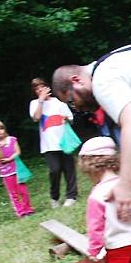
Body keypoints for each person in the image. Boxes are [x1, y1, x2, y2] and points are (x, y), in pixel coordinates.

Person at [51, 44, 131, 222]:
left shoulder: (102, 80)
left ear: (76, 80)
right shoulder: (111, 63)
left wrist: (126, 185)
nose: (77, 107)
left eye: (72, 101)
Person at [29, 77, 78, 208]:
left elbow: (70, 118)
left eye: (41, 87)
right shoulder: (35, 103)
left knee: (69, 169)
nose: (39, 90)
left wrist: (66, 118)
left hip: (64, 141)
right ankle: (54, 197)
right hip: (49, 145)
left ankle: (71, 196)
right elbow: (36, 117)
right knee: (54, 170)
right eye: (36, 88)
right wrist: (41, 101)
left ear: (47, 87)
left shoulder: (58, 102)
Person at [0, 120, 35, 218]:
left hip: (17, 169)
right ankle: (21, 211)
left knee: (23, 191)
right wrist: (0, 148)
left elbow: (18, 151)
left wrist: (10, 158)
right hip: (6, 173)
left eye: (1, 128)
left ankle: (28, 209)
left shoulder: (12, 139)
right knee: (13, 193)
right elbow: (0, 158)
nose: (0, 131)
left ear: (4, 129)